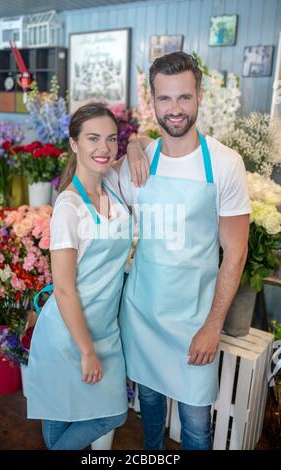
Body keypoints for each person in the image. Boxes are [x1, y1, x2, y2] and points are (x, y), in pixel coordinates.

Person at [119, 52, 251, 450]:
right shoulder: (139, 163)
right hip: (142, 315)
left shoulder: (225, 164)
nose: (174, 110)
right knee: (150, 413)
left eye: (184, 98)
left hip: (196, 321)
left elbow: (237, 252)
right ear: (152, 101)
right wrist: (135, 144)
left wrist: (213, 326)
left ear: (199, 96)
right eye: (165, 99)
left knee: (195, 426)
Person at [26, 103, 132, 450]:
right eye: (92, 138)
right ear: (74, 144)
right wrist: (86, 351)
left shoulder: (112, 185)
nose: (104, 148)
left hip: (105, 330)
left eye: (111, 139)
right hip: (68, 337)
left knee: (112, 413)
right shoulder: (69, 208)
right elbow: (65, 289)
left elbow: (141, 146)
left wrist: (137, 141)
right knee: (66, 419)